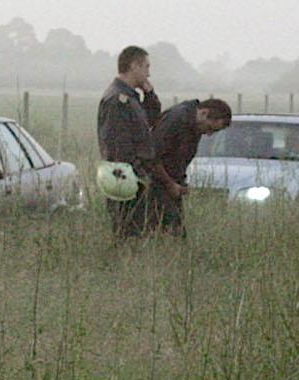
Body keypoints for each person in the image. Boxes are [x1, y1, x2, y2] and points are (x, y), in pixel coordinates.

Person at [96, 45, 183, 238]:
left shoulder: (131, 98)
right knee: (128, 233)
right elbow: (119, 144)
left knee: (140, 231)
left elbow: (151, 118)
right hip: (125, 177)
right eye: (146, 67)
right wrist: (137, 172)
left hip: (135, 176)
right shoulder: (118, 100)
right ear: (134, 65)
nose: (148, 73)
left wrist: (149, 93)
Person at [148, 96, 234, 236]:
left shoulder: (194, 124)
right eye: (210, 128)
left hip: (170, 185)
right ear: (204, 113)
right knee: (166, 234)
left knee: (174, 232)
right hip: (154, 184)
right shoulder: (176, 120)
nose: (209, 134)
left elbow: (178, 158)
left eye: (214, 132)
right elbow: (152, 156)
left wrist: (181, 183)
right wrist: (170, 184)